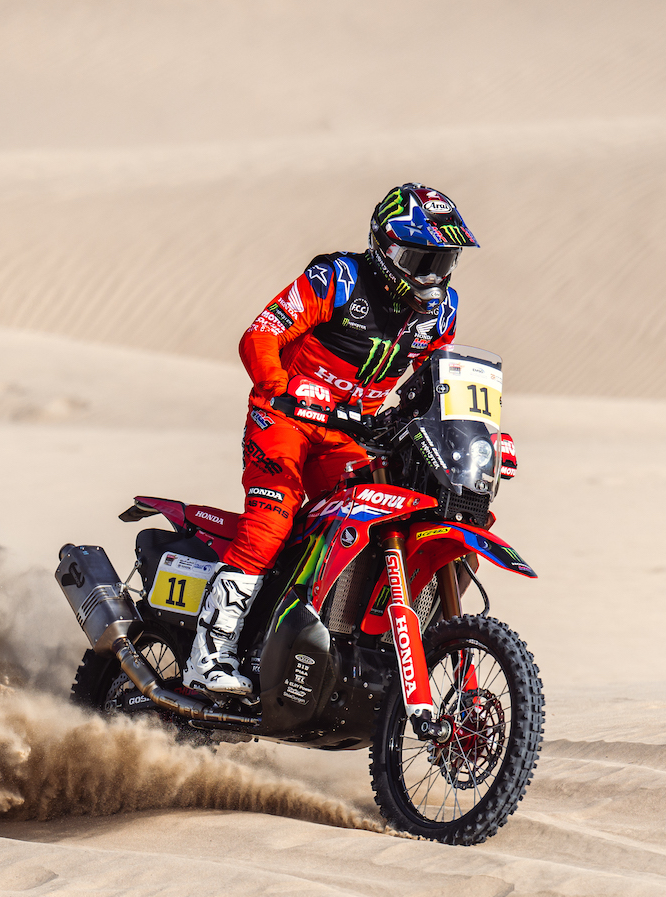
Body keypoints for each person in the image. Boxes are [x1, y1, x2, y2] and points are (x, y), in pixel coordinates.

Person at [183, 183, 480, 696]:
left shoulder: (442, 311)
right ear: (384, 250)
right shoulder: (338, 279)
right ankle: (209, 656)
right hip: (287, 419)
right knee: (273, 520)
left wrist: (470, 435)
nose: (431, 275)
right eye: (419, 257)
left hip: (353, 434)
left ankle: (346, 648)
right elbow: (261, 334)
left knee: (402, 517)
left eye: (442, 260)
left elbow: (439, 380)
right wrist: (278, 390)